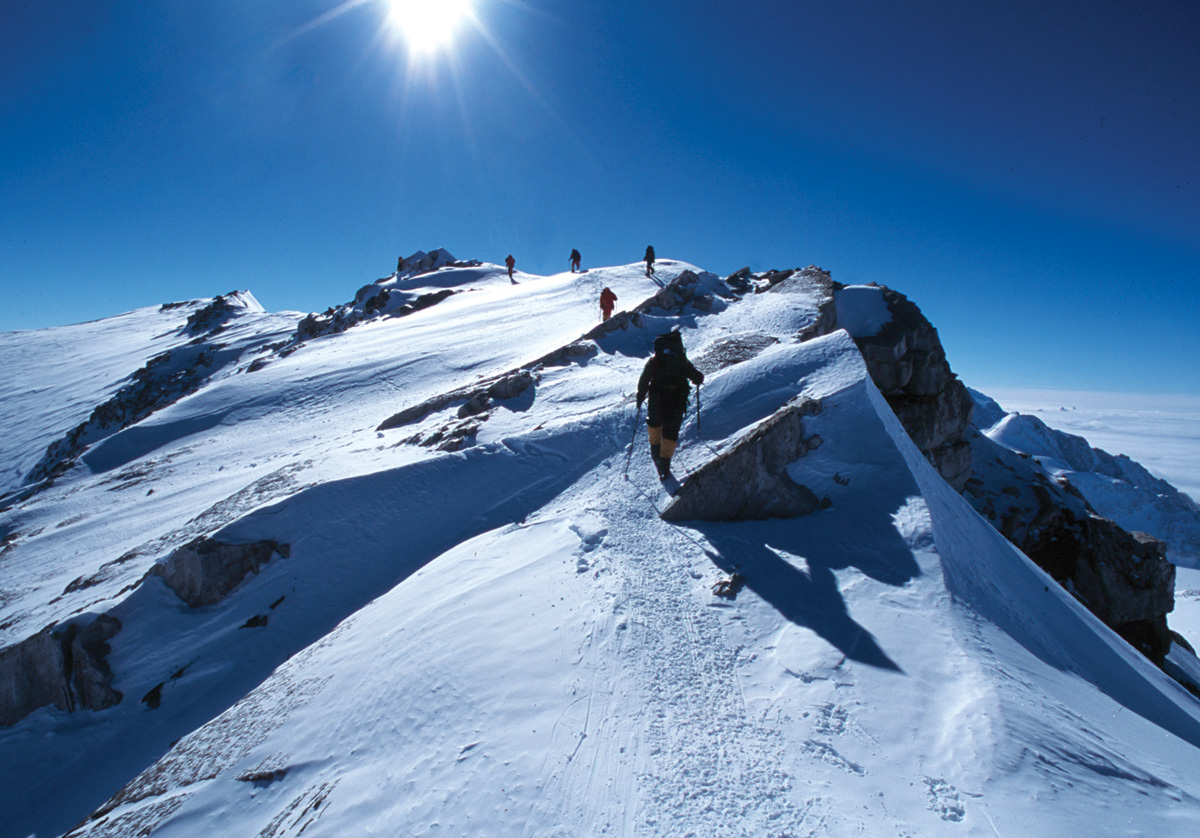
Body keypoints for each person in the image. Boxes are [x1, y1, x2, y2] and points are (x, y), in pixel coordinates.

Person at [637, 330, 703, 480]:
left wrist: (640, 396)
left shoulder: (656, 360)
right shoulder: (680, 359)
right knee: (671, 432)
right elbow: (696, 376)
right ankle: (664, 465)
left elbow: (644, 379)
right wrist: (698, 378)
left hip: (657, 397)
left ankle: (655, 450)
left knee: (654, 422)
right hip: (677, 399)